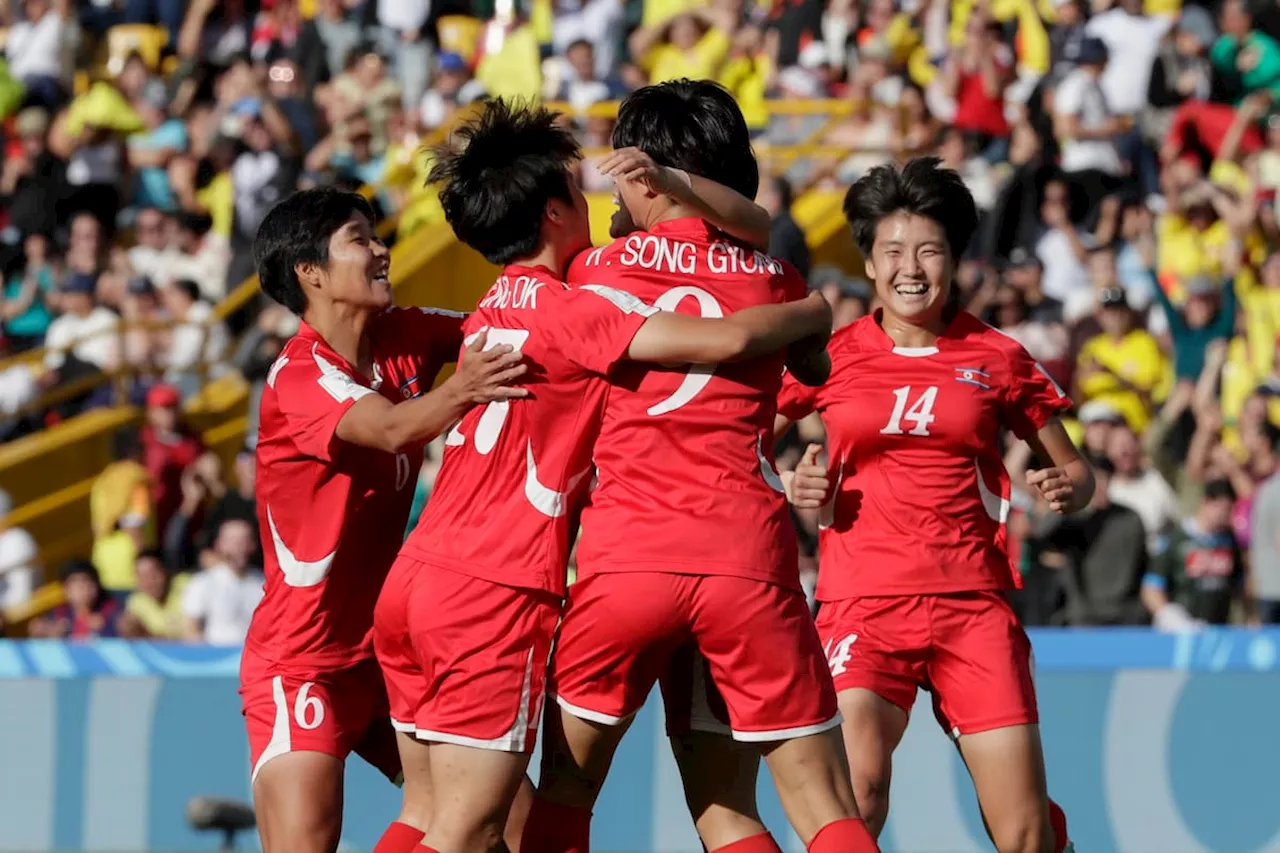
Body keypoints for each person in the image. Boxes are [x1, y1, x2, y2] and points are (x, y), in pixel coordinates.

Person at [372, 98, 833, 853]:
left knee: (428, 813)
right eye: (583, 192)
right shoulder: (579, 304)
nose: (603, 202)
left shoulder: (508, 299)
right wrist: (810, 309)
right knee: (468, 825)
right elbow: (731, 333)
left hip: (421, 575)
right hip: (495, 585)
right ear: (556, 211)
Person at [530, 79, 877, 853]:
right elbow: (815, 365)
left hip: (626, 564)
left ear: (641, 172)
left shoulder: (590, 273)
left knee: (563, 792)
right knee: (808, 803)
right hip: (745, 564)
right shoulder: (778, 281)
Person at [777, 158, 1094, 853]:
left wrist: (1070, 485)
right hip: (862, 602)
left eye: (929, 250)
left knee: (1025, 833)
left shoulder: (999, 356)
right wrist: (793, 485)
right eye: (893, 250)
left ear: (953, 259)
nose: (910, 267)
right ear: (869, 261)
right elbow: (744, 445)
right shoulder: (830, 357)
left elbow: (1074, 467)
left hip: (971, 604)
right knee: (857, 793)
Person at [242, 186, 531, 853]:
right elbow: (396, 428)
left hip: (388, 650)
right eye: (359, 239)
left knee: (503, 818)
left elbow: (506, 331)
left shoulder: (401, 334)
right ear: (310, 272)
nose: (381, 250)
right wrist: (463, 387)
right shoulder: (298, 378)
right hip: (303, 661)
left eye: (375, 235)